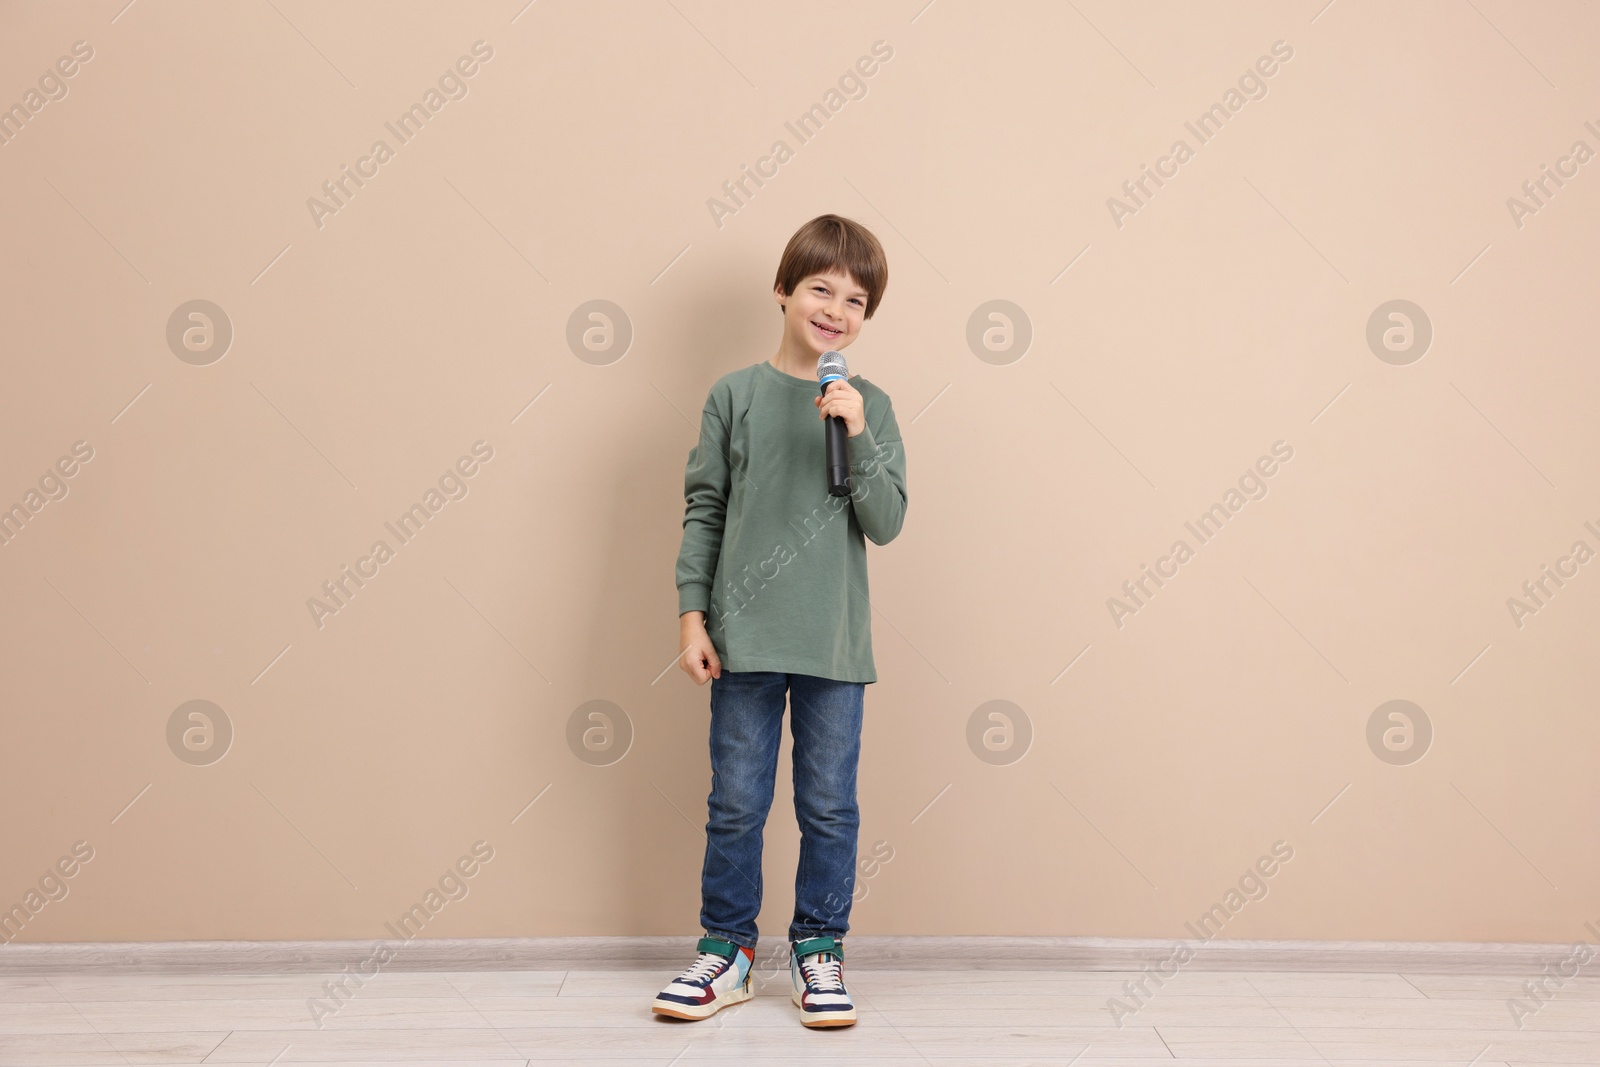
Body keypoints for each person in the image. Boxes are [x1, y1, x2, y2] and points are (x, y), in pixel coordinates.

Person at [652, 214, 908, 1029]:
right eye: (820, 288)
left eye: (854, 298)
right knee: (736, 800)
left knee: (829, 805)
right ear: (784, 291)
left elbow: (886, 519)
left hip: (832, 642)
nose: (835, 307)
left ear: (866, 317)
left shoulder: (869, 404)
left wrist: (859, 434)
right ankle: (726, 950)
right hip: (744, 637)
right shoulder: (736, 396)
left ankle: (817, 950)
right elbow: (705, 511)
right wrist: (694, 619)